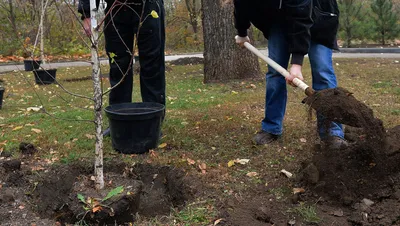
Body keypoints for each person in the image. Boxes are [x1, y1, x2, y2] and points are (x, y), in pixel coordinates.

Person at [234, 0, 348, 149]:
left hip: (320, 15)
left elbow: (301, 15)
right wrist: (242, 33)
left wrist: (296, 64)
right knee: (275, 73)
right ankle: (271, 127)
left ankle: (331, 131)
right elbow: (242, 6)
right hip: (280, 18)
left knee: (322, 72)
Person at [78, 0, 166, 136]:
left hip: (149, 6)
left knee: (152, 63)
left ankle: (154, 121)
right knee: (118, 64)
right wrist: (86, 13)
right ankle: (118, 120)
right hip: (116, 7)